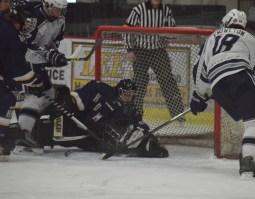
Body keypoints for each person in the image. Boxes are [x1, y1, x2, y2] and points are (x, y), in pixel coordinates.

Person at [190, 9, 255, 180]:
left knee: (251, 120)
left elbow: (200, 69)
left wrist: (199, 96)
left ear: (226, 21)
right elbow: (254, 71)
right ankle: (249, 162)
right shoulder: (251, 39)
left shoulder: (212, 37)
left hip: (217, 85)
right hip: (240, 75)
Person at [27, 79, 169, 158]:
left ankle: (147, 147)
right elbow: (76, 98)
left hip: (87, 135)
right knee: (45, 130)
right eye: (127, 95)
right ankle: (24, 136)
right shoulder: (101, 89)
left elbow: (137, 123)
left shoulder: (128, 110)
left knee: (66, 138)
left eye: (132, 96)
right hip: (74, 120)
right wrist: (67, 106)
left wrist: (148, 134)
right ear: (119, 92)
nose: (129, 98)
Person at [15, 0, 68, 154]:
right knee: (36, 94)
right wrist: (49, 55)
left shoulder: (60, 21)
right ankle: (23, 136)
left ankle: (23, 135)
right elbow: (25, 45)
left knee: (46, 93)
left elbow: (53, 42)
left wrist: (55, 55)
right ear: (48, 5)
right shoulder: (32, 17)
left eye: (61, 10)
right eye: (56, 9)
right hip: (22, 61)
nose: (59, 13)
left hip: (36, 62)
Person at [124, 0, 185, 123]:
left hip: (158, 50)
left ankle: (178, 114)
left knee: (167, 81)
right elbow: (126, 29)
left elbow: (173, 31)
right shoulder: (139, 10)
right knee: (139, 82)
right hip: (140, 50)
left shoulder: (166, 10)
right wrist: (130, 49)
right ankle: (136, 114)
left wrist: (167, 34)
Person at [0, 0, 44, 161]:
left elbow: (7, 65)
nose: (25, 26)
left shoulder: (4, 25)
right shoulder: (9, 33)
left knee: (7, 95)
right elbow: (18, 68)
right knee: (5, 99)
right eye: (24, 22)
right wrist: (35, 81)